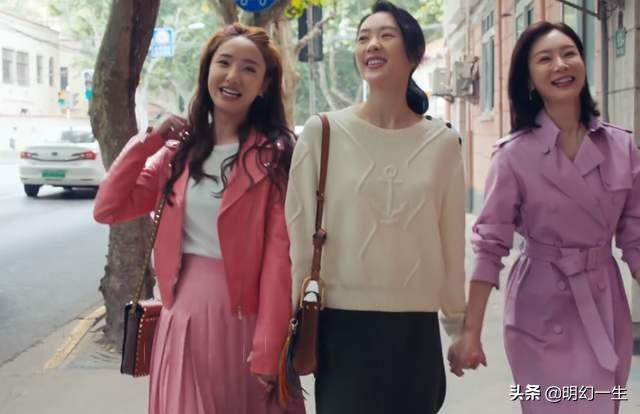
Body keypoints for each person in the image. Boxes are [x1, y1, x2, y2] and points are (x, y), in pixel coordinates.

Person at [93, 23, 305, 414]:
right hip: (181, 315)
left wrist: (268, 346)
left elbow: (280, 260)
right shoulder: (176, 154)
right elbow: (108, 207)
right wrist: (148, 140)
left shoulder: (274, 158)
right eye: (224, 63)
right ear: (207, 71)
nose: (233, 76)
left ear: (263, 86)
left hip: (245, 319)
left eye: (249, 68)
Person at [449, 21, 640, 414]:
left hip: (604, 305)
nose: (560, 64)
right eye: (545, 59)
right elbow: (489, 246)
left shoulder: (622, 146)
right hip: (539, 309)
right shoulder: (513, 155)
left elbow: (636, 239)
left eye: (569, 53)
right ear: (529, 79)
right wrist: (471, 332)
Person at [285, 2, 466, 413]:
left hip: (415, 331)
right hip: (342, 329)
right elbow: (297, 234)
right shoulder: (323, 132)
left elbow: (451, 241)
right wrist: (290, 319)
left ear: (414, 53)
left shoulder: (443, 144)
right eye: (363, 37)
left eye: (386, 35)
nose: (372, 44)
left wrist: (458, 326)